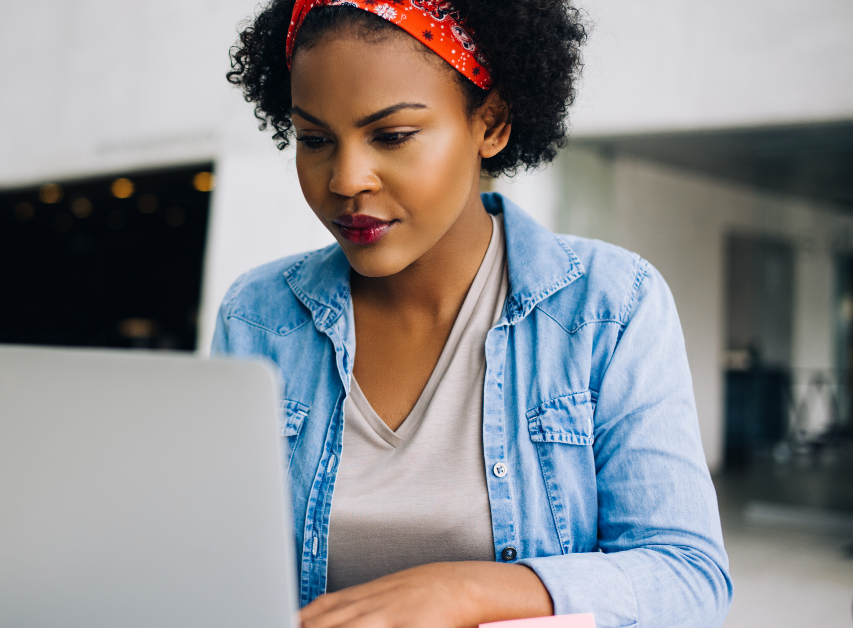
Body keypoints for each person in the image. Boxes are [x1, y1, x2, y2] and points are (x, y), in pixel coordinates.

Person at [213, 2, 732, 627]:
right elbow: (219, 563)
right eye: (316, 140)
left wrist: (467, 593)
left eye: (392, 136)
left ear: (491, 124)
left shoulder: (610, 306)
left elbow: (687, 576)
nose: (347, 180)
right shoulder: (259, 316)